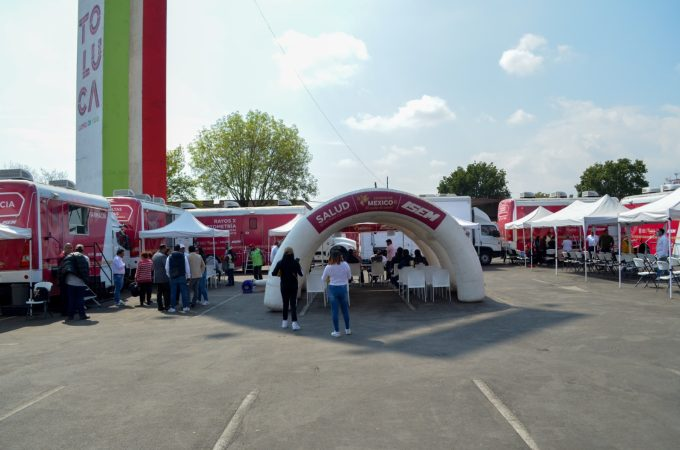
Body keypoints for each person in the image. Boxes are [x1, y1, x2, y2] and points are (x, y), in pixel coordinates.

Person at [271, 247, 303, 331]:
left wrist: (281, 273)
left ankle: (284, 323)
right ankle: (294, 323)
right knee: (293, 305)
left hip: (284, 286)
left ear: (284, 253)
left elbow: (273, 273)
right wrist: (298, 265)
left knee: (285, 304)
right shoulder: (295, 263)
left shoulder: (280, 263)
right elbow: (301, 274)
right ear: (292, 253)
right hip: (293, 286)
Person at [321, 252, 351, 338]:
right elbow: (349, 277)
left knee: (335, 311)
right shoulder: (345, 264)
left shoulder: (328, 267)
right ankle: (347, 329)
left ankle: (337, 331)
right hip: (343, 288)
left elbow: (323, 279)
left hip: (333, 288)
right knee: (345, 310)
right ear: (340, 256)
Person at [61, 244, 90, 321]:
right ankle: (82, 315)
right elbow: (86, 270)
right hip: (80, 283)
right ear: (82, 250)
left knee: (71, 300)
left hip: (70, 282)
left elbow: (64, 268)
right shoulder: (85, 258)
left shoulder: (68, 257)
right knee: (80, 299)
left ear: (75, 249)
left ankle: (70, 316)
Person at [165, 244, 191, 313]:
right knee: (184, 292)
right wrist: (188, 276)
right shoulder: (183, 256)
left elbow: (167, 268)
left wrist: (169, 275)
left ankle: (173, 308)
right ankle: (185, 307)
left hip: (173, 277)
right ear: (179, 249)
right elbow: (187, 267)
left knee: (173, 293)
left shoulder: (169, 257)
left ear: (174, 249)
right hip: (182, 276)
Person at [56, 242, 73, 316]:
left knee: (66, 295)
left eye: (71, 248)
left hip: (65, 278)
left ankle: (66, 311)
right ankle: (65, 312)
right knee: (65, 296)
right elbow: (64, 268)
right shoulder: (63, 256)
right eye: (69, 248)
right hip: (64, 279)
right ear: (65, 248)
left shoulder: (64, 255)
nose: (71, 249)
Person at [152, 245, 170, 311]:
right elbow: (166, 266)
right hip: (164, 277)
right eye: (165, 248)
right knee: (166, 292)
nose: (166, 250)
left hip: (157, 276)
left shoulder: (154, 255)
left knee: (159, 293)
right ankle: (167, 306)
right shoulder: (163, 256)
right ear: (163, 248)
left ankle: (160, 307)